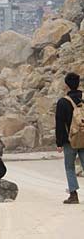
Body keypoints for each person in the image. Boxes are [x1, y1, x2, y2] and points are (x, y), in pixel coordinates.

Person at [55, 72, 84, 204]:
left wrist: (59, 142)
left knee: (70, 167)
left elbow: (59, 123)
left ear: (66, 85)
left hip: (69, 140)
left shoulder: (62, 102)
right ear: (78, 84)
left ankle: (73, 195)